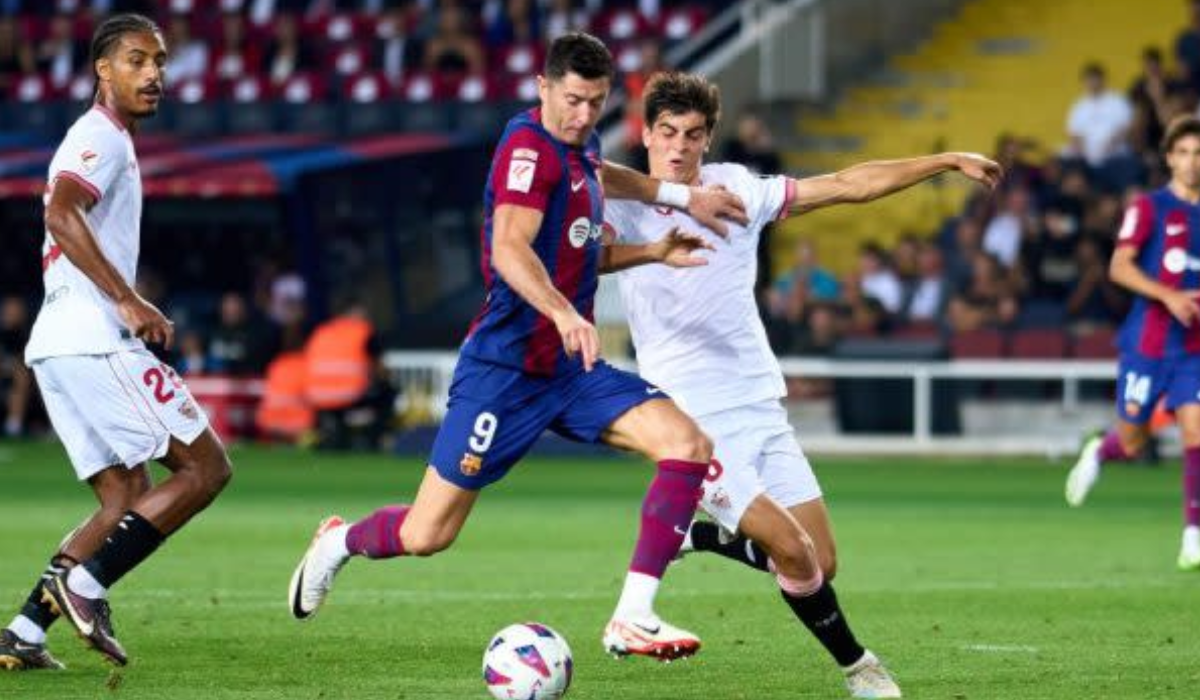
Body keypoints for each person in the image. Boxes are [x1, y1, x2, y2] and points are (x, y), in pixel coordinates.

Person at [288, 32, 747, 663]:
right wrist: (562, 312)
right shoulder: (527, 152)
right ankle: (338, 543)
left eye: (596, 102)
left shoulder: (579, 150)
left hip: (571, 370)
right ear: (543, 88)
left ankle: (633, 616)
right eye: (574, 100)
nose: (585, 116)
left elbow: (599, 180)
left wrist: (669, 219)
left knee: (689, 445)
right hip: (504, 372)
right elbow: (509, 248)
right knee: (427, 534)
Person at [604, 72, 1002, 698]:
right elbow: (580, 216)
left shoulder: (736, 188)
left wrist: (946, 160)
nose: (679, 147)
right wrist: (654, 244)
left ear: (708, 140)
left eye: (693, 135)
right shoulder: (621, 201)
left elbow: (847, 186)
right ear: (647, 134)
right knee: (792, 550)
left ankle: (699, 535)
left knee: (819, 560)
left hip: (758, 399)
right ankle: (859, 668)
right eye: (667, 133)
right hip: (690, 418)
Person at [0, 14, 233, 671]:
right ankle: (86, 584)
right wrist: (126, 298)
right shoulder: (98, 136)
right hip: (95, 338)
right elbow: (59, 211)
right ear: (103, 70)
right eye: (137, 60)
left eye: (159, 62)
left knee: (123, 496)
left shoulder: (110, 139)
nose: (154, 74)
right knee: (206, 468)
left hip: (57, 343)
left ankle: (23, 630)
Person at [1065, 115, 1200, 572]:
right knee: (1134, 440)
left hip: (1194, 348)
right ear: (1168, 158)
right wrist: (1169, 295)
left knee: (1196, 429)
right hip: (1148, 343)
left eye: (1198, 153)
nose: (1191, 162)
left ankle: (1192, 535)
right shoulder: (1149, 206)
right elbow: (1119, 267)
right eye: (1183, 153)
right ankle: (1101, 451)